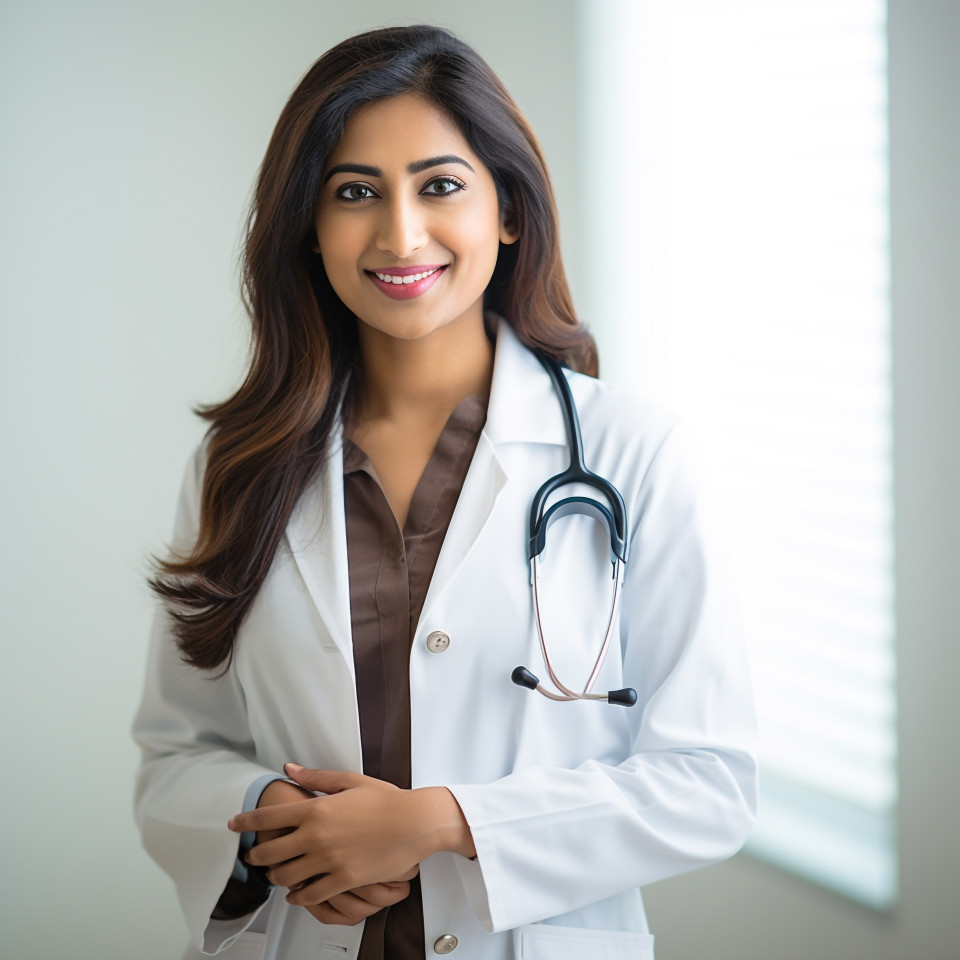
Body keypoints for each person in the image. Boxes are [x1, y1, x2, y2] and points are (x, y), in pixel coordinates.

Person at [133, 24, 757, 960]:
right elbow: (177, 755)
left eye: (440, 185)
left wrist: (442, 823)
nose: (400, 233)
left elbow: (708, 782)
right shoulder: (241, 463)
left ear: (507, 209)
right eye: (355, 193)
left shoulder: (635, 452)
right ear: (310, 222)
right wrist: (272, 820)